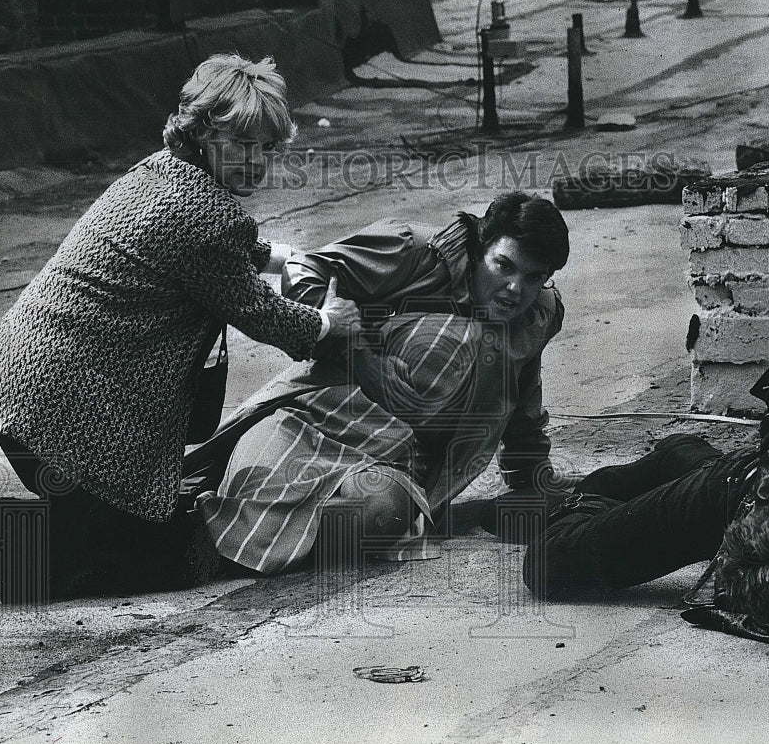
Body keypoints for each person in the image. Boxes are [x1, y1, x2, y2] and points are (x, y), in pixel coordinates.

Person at [0, 53, 362, 599]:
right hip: (58, 410)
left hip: (20, 385)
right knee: (123, 560)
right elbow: (261, 314)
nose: (257, 162)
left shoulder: (157, 170)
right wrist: (329, 323)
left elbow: (189, 252)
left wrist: (269, 255)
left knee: (110, 537)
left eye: (267, 148)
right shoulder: (209, 217)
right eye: (242, 144)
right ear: (205, 132)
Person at [182, 191, 573, 575]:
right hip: (312, 419)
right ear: (480, 248)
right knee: (258, 491)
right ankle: (188, 538)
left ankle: (227, 534)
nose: (515, 289)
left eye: (534, 277)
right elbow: (301, 271)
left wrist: (529, 477)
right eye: (504, 266)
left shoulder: (538, 312)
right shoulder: (413, 249)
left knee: (386, 514)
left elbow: (519, 389)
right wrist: (361, 357)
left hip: (397, 456)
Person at [518, 331, 769, 663]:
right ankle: (592, 496)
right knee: (548, 564)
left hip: (758, 488)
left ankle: (679, 454)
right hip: (725, 489)